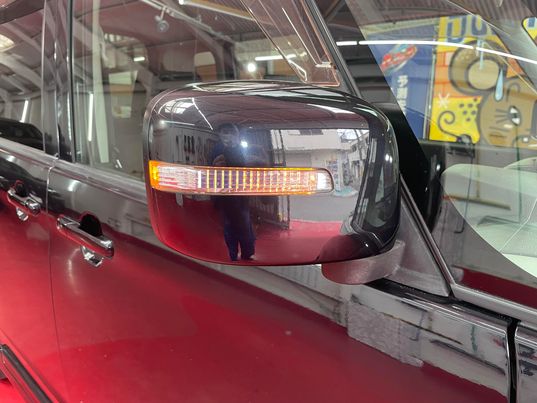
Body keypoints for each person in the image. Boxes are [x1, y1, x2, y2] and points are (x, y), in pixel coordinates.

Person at [212, 123, 256, 261]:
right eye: (225, 132)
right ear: (220, 134)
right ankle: (233, 254)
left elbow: (246, 165)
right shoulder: (217, 149)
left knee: (244, 223)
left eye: (232, 132)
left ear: (237, 134)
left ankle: (247, 253)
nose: (228, 135)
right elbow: (212, 168)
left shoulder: (241, 149)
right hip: (225, 194)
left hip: (241, 193)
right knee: (229, 224)